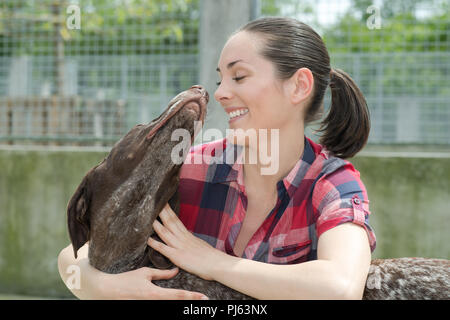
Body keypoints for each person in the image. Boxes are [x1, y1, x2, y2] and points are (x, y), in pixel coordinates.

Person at [58, 16, 376, 300]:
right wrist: (98, 287)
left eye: (238, 77)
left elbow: (340, 287)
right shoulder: (193, 169)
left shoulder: (332, 183)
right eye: (220, 79)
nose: (221, 93)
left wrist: (212, 262)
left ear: (298, 86)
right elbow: (75, 254)